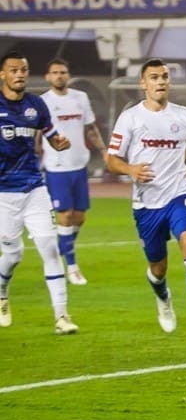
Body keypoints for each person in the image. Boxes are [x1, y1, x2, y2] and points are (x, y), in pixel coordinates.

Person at [105, 58, 186, 341]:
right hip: (146, 205)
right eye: (154, 77)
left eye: (164, 76)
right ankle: (162, 294)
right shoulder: (130, 118)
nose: (161, 81)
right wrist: (130, 169)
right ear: (143, 83)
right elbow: (111, 159)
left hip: (178, 194)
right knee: (158, 267)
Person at [0, 51, 77, 334]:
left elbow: (51, 136)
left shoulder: (37, 105)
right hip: (3, 194)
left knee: (49, 247)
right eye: (13, 70)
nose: (20, 74)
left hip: (34, 187)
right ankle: (2, 293)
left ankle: (62, 316)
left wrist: (60, 143)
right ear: (2, 75)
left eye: (23, 69)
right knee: (13, 254)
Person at [42, 58, 106, 286]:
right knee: (66, 216)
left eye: (63, 72)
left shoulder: (80, 98)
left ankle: (60, 249)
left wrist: (104, 151)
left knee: (79, 216)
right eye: (55, 72)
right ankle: (71, 266)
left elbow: (91, 128)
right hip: (56, 167)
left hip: (79, 165)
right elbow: (37, 135)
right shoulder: (43, 102)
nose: (60, 76)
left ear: (68, 75)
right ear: (48, 77)